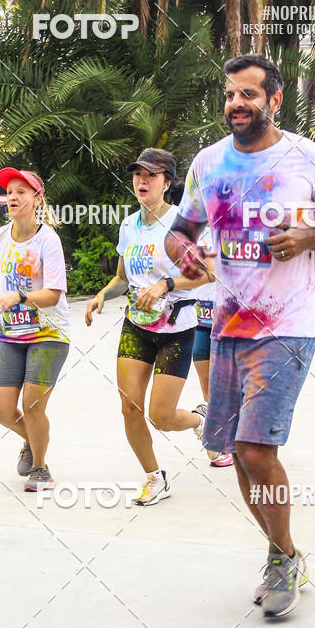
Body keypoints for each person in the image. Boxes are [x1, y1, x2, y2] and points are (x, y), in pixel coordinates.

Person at [165, 53, 315, 618]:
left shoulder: (306, 157)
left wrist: (308, 238)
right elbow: (179, 232)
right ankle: (285, 552)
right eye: (230, 94)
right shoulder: (208, 162)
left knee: (257, 448)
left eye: (248, 94)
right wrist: (184, 254)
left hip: (287, 328)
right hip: (227, 324)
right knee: (234, 450)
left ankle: (282, 559)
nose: (236, 103)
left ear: (274, 101)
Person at [85, 148, 211, 505]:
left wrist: (165, 285)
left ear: (167, 183)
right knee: (129, 407)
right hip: (136, 327)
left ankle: (200, 422)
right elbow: (121, 278)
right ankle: (154, 477)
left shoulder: (182, 225)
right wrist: (102, 295)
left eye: (151, 175)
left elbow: (206, 274)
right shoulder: (128, 225)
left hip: (176, 331)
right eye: (138, 174)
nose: (142, 180)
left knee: (161, 417)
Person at [0, 167, 70, 491]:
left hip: (49, 333)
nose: (13, 197)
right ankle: (33, 440)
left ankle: (40, 469)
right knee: (2, 409)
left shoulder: (48, 240)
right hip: (10, 334)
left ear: (37, 199)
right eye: (9, 192)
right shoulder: (0, 237)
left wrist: (19, 296)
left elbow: (54, 294)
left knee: (33, 405)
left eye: (21, 192)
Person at [192, 225, 233, 468]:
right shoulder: (187, 231)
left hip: (227, 318)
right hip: (199, 318)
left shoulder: (230, 228)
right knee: (207, 386)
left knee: (228, 385)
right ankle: (220, 437)